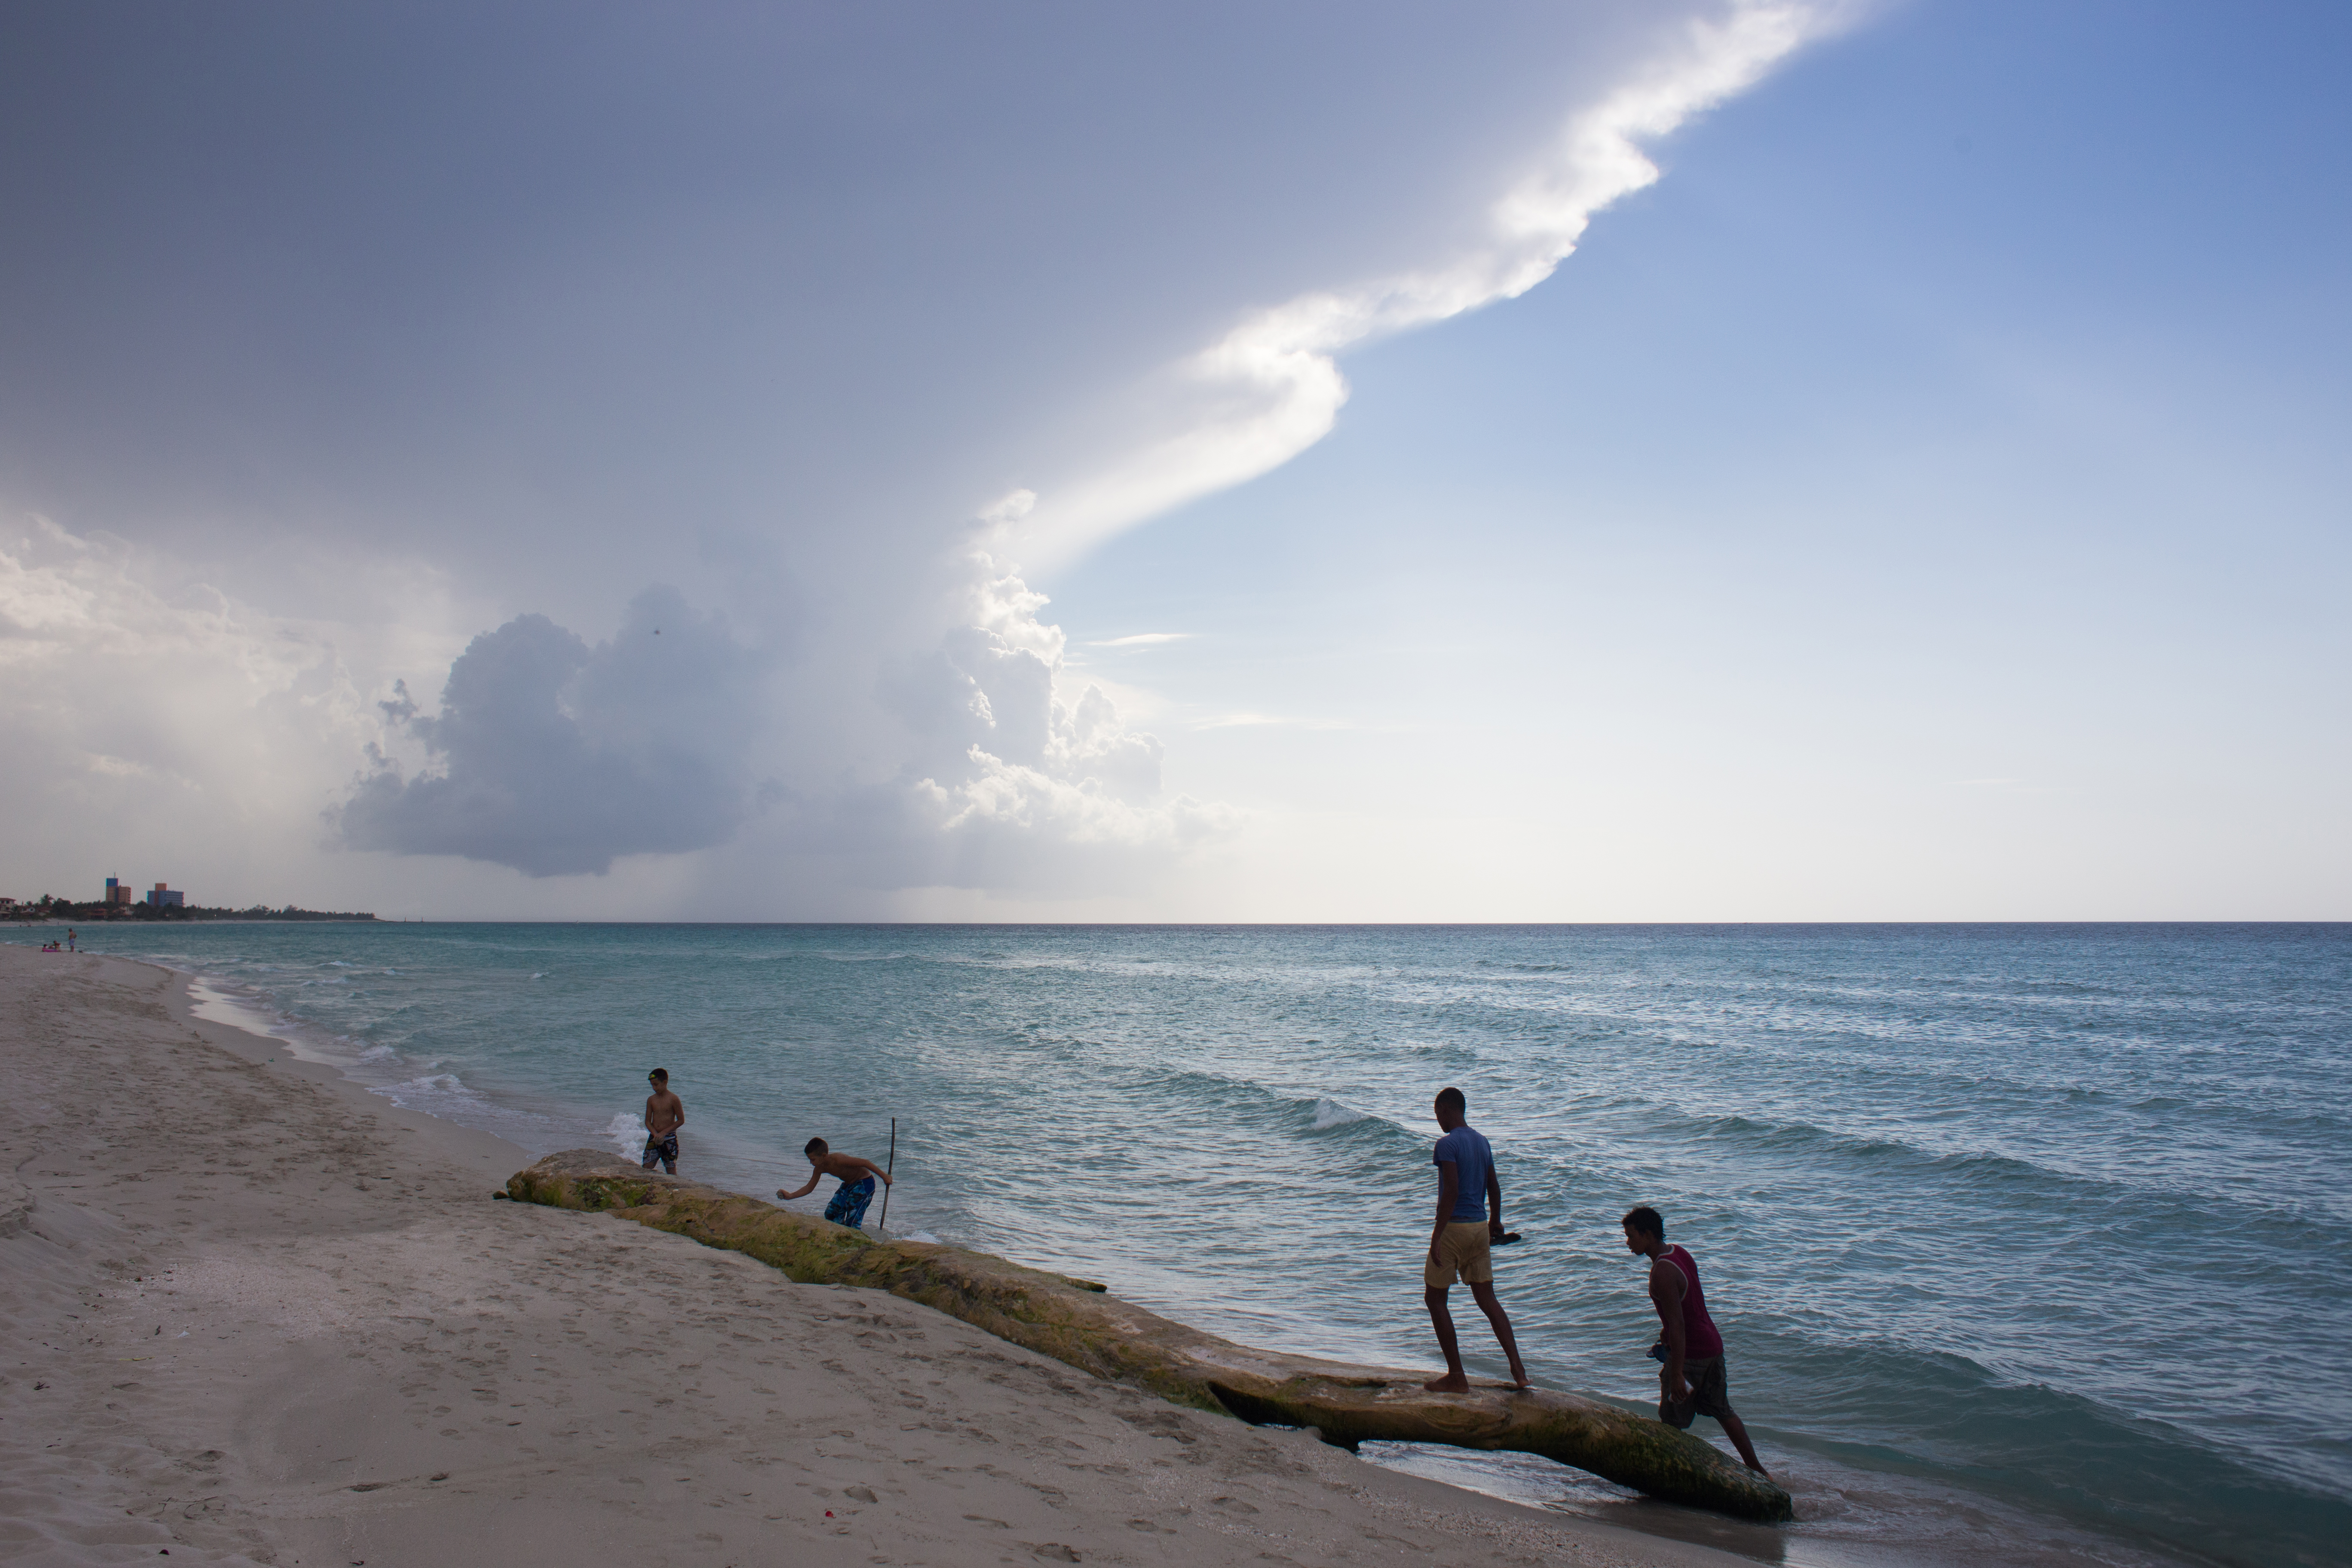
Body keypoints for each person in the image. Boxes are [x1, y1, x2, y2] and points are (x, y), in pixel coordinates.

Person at [1622, 1205, 1767, 1475]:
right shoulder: (1679, 1253)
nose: (1628, 1243)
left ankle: (1668, 1478)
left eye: (1631, 1236)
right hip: (1712, 1347)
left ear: (1648, 1235)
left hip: (1691, 1356)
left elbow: (1678, 1324)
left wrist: (1677, 1373)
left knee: (1671, 1422)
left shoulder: (1662, 1272)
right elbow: (1688, 1305)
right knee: (1724, 1412)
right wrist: (1667, 1330)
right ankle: (1758, 1470)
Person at [1421, 1086, 1530, 1392]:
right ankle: (1519, 1371)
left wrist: (1437, 1236)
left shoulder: (1446, 1145)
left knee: (1435, 1300)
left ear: (1445, 1110)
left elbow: (1451, 1191)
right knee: (1488, 1299)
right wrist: (1496, 1220)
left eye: (1437, 1115)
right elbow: (1494, 1186)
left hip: (1454, 1229)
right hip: (1480, 1228)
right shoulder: (1482, 1141)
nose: (1439, 1122)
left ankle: (1457, 1376)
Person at [778, 1137, 891, 1230]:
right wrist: (790, 1196)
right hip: (848, 1185)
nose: (811, 1163)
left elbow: (865, 1163)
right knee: (831, 1214)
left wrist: (884, 1177)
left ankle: (854, 1238)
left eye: (813, 1160)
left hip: (864, 1184)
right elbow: (809, 1188)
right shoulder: (819, 1168)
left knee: (852, 1222)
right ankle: (841, 1234)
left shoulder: (838, 1160)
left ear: (824, 1156)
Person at [640, 1068, 685, 1174]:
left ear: (665, 1083)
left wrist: (664, 1133)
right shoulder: (651, 1100)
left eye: (656, 1085)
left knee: (671, 1170)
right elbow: (648, 1122)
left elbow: (681, 1120)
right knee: (646, 1167)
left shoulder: (673, 1099)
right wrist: (656, 1134)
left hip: (669, 1138)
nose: (654, 1088)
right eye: (652, 1086)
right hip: (654, 1137)